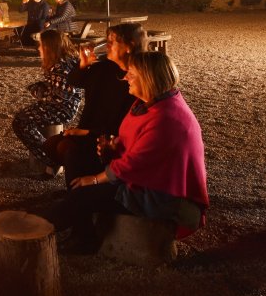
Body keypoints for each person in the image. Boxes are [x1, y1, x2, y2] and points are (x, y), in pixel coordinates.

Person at [55, 50, 208, 252]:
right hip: (142, 177)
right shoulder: (146, 104)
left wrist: (93, 179)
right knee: (75, 155)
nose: (125, 77)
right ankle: (81, 231)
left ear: (148, 78)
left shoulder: (166, 119)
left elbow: (131, 165)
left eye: (132, 74)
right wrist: (113, 145)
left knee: (81, 195)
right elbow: (132, 141)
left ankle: (39, 228)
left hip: (159, 193)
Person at [54, 22, 148, 188]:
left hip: (112, 137)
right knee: (53, 145)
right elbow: (75, 81)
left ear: (129, 46)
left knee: (68, 149)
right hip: (92, 128)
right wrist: (83, 65)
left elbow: (126, 124)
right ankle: (81, 187)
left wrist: (86, 133)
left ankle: (81, 193)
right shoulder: (106, 67)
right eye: (107, 40)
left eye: (112, 41)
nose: (107, 45)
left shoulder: (140, 79)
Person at [12, 30, 83, 168]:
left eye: (41, 45)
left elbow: (60, 97)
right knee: (23, 117)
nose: (38, 48)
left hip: (62, 109)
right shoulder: (62, 60)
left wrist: (38, 92)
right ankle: (49, 152)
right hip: (61, 105)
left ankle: (51, 157)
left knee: (20, 123)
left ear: (49, 47)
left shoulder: (60, 67)